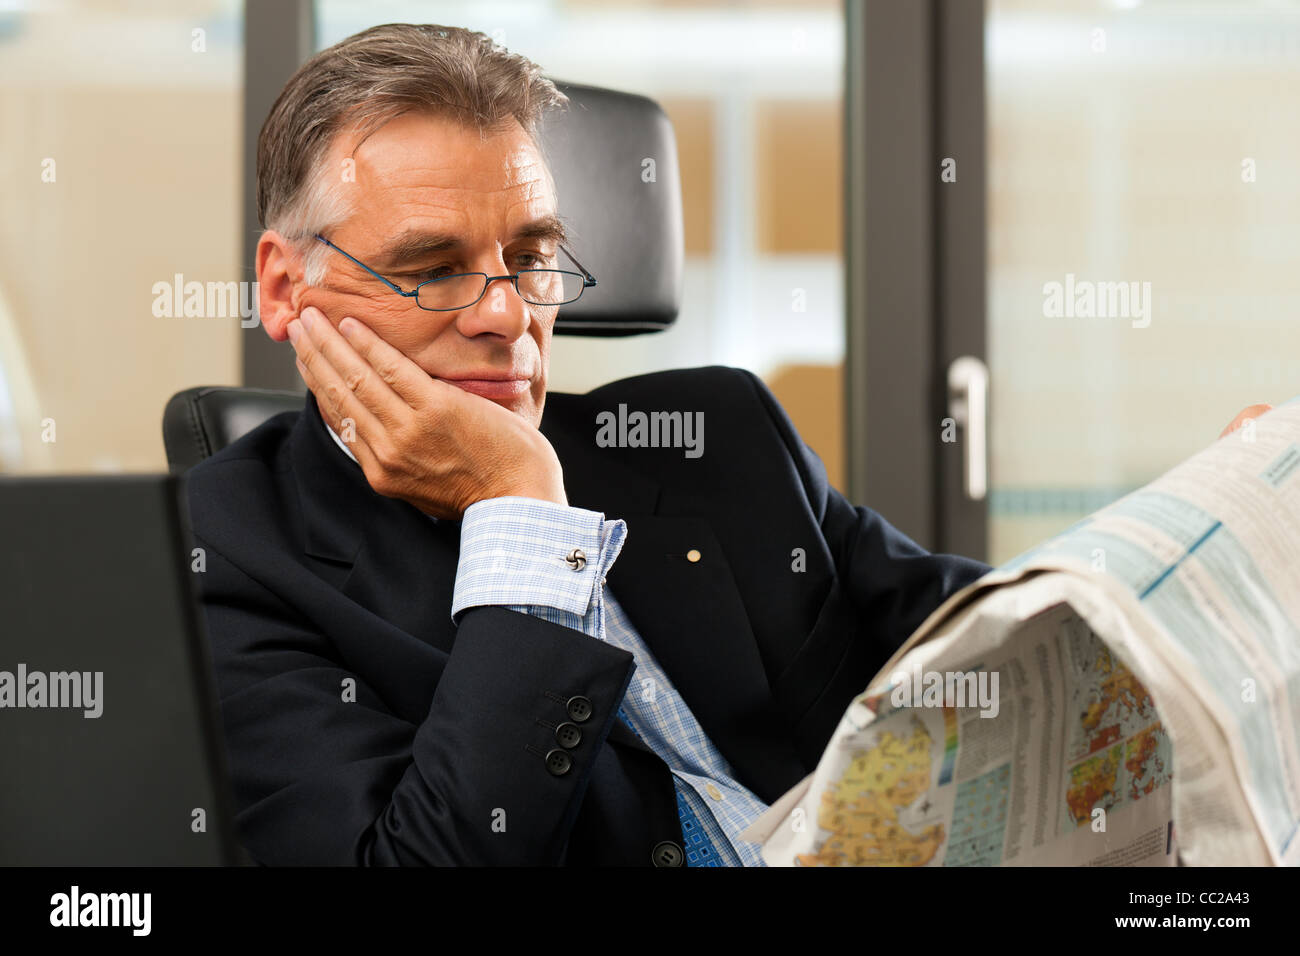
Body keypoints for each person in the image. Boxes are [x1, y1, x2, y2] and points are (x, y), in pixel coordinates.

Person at [186, 22, 1268, 866]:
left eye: (531, 257)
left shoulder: (715, 438)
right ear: (286, 288)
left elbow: (995, 646)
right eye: (430, 267)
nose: (507, 315)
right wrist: (524, 516)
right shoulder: (226, 552)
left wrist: (1213, 525)